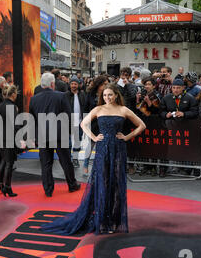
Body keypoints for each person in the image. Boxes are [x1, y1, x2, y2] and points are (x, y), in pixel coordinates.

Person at [41, 84, 146, 235]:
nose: (107, 98)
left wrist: (126, 137)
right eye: (104, 95)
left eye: (110, 95)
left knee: (116, 183)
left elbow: (142, 125)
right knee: (102, 181)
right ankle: (102, 220)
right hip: (103, 149)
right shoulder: (98, 109)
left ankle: (114, 221)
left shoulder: (123, 110)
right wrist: (94, 137)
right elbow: (83, 124)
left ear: (116, 95)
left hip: (118, 149)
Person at [29, 72, 80, 198]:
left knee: (46, 164)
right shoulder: (61, 96)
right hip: (60, 134)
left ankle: (48, 189)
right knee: (66, 161)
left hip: (42, 135)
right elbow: (68, 115)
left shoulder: (34, 99)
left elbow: (32, 119)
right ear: (53, 84)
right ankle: (72, 185)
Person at [159, 79, 199, 177]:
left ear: (183, 88)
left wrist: (184, 114)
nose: (176, 90)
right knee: (167, 147)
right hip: (170, 128)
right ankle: (163, 168)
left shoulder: (190, 98)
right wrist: (166, 114)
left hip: (186, 128)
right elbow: (160, 112)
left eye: (178, 88)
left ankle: (187, 169)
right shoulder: (166, 98)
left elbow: (195, 112)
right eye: (174, 88)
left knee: (185, 147)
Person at [0, 85, 26, 197]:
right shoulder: (12, 107)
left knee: (4, 160)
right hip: (10, 138)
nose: (16, 96)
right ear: (13, 94)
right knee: (9, 163)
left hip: (1, 137)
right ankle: (7, 187)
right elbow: (15, 125)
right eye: (16, 93)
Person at [82, 75, 109, 177]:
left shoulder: (108, 94)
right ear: (99, 84)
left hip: (105, 123)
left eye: (107, 84)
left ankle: (100, 168)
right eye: (104, 84)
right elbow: (85, 109)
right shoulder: (90, 94)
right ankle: (85, 164)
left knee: (102, 146)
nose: (106, 86)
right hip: (93, 124)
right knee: (91, 145)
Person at [65, 76, 86, 168]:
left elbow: (85, 106)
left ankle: (75, 159)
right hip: (68, 122)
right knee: (68, 143)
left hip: (79, 122)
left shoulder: (82, 94)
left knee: (78, 142)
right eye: (72, 84)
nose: (73, 85)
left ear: (78, 85)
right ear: (69, 85)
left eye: (75, 84)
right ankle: (68, 159)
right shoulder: (65, 95)